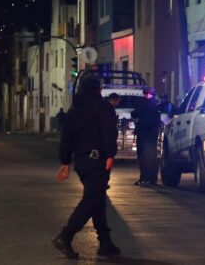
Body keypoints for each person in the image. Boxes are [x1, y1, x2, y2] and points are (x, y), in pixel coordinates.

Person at [52, 76, 121, 259]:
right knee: (92, 199)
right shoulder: (103, 107)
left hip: (82, 162)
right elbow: (109, 131)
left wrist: (65, 162)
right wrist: (110, 154)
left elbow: (66, 137)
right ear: (98, 89)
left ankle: (105, 242)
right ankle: (66, 236)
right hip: (98, 160)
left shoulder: (74, 110)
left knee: (97, 197)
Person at [131, 92, 160, 186]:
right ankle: (151, 179)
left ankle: (146, 178)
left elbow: (134, 114)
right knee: (150, 157)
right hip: (151, 134)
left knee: (144, 157)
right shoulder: (155, 105)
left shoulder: (144, 104)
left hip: (144, 134)